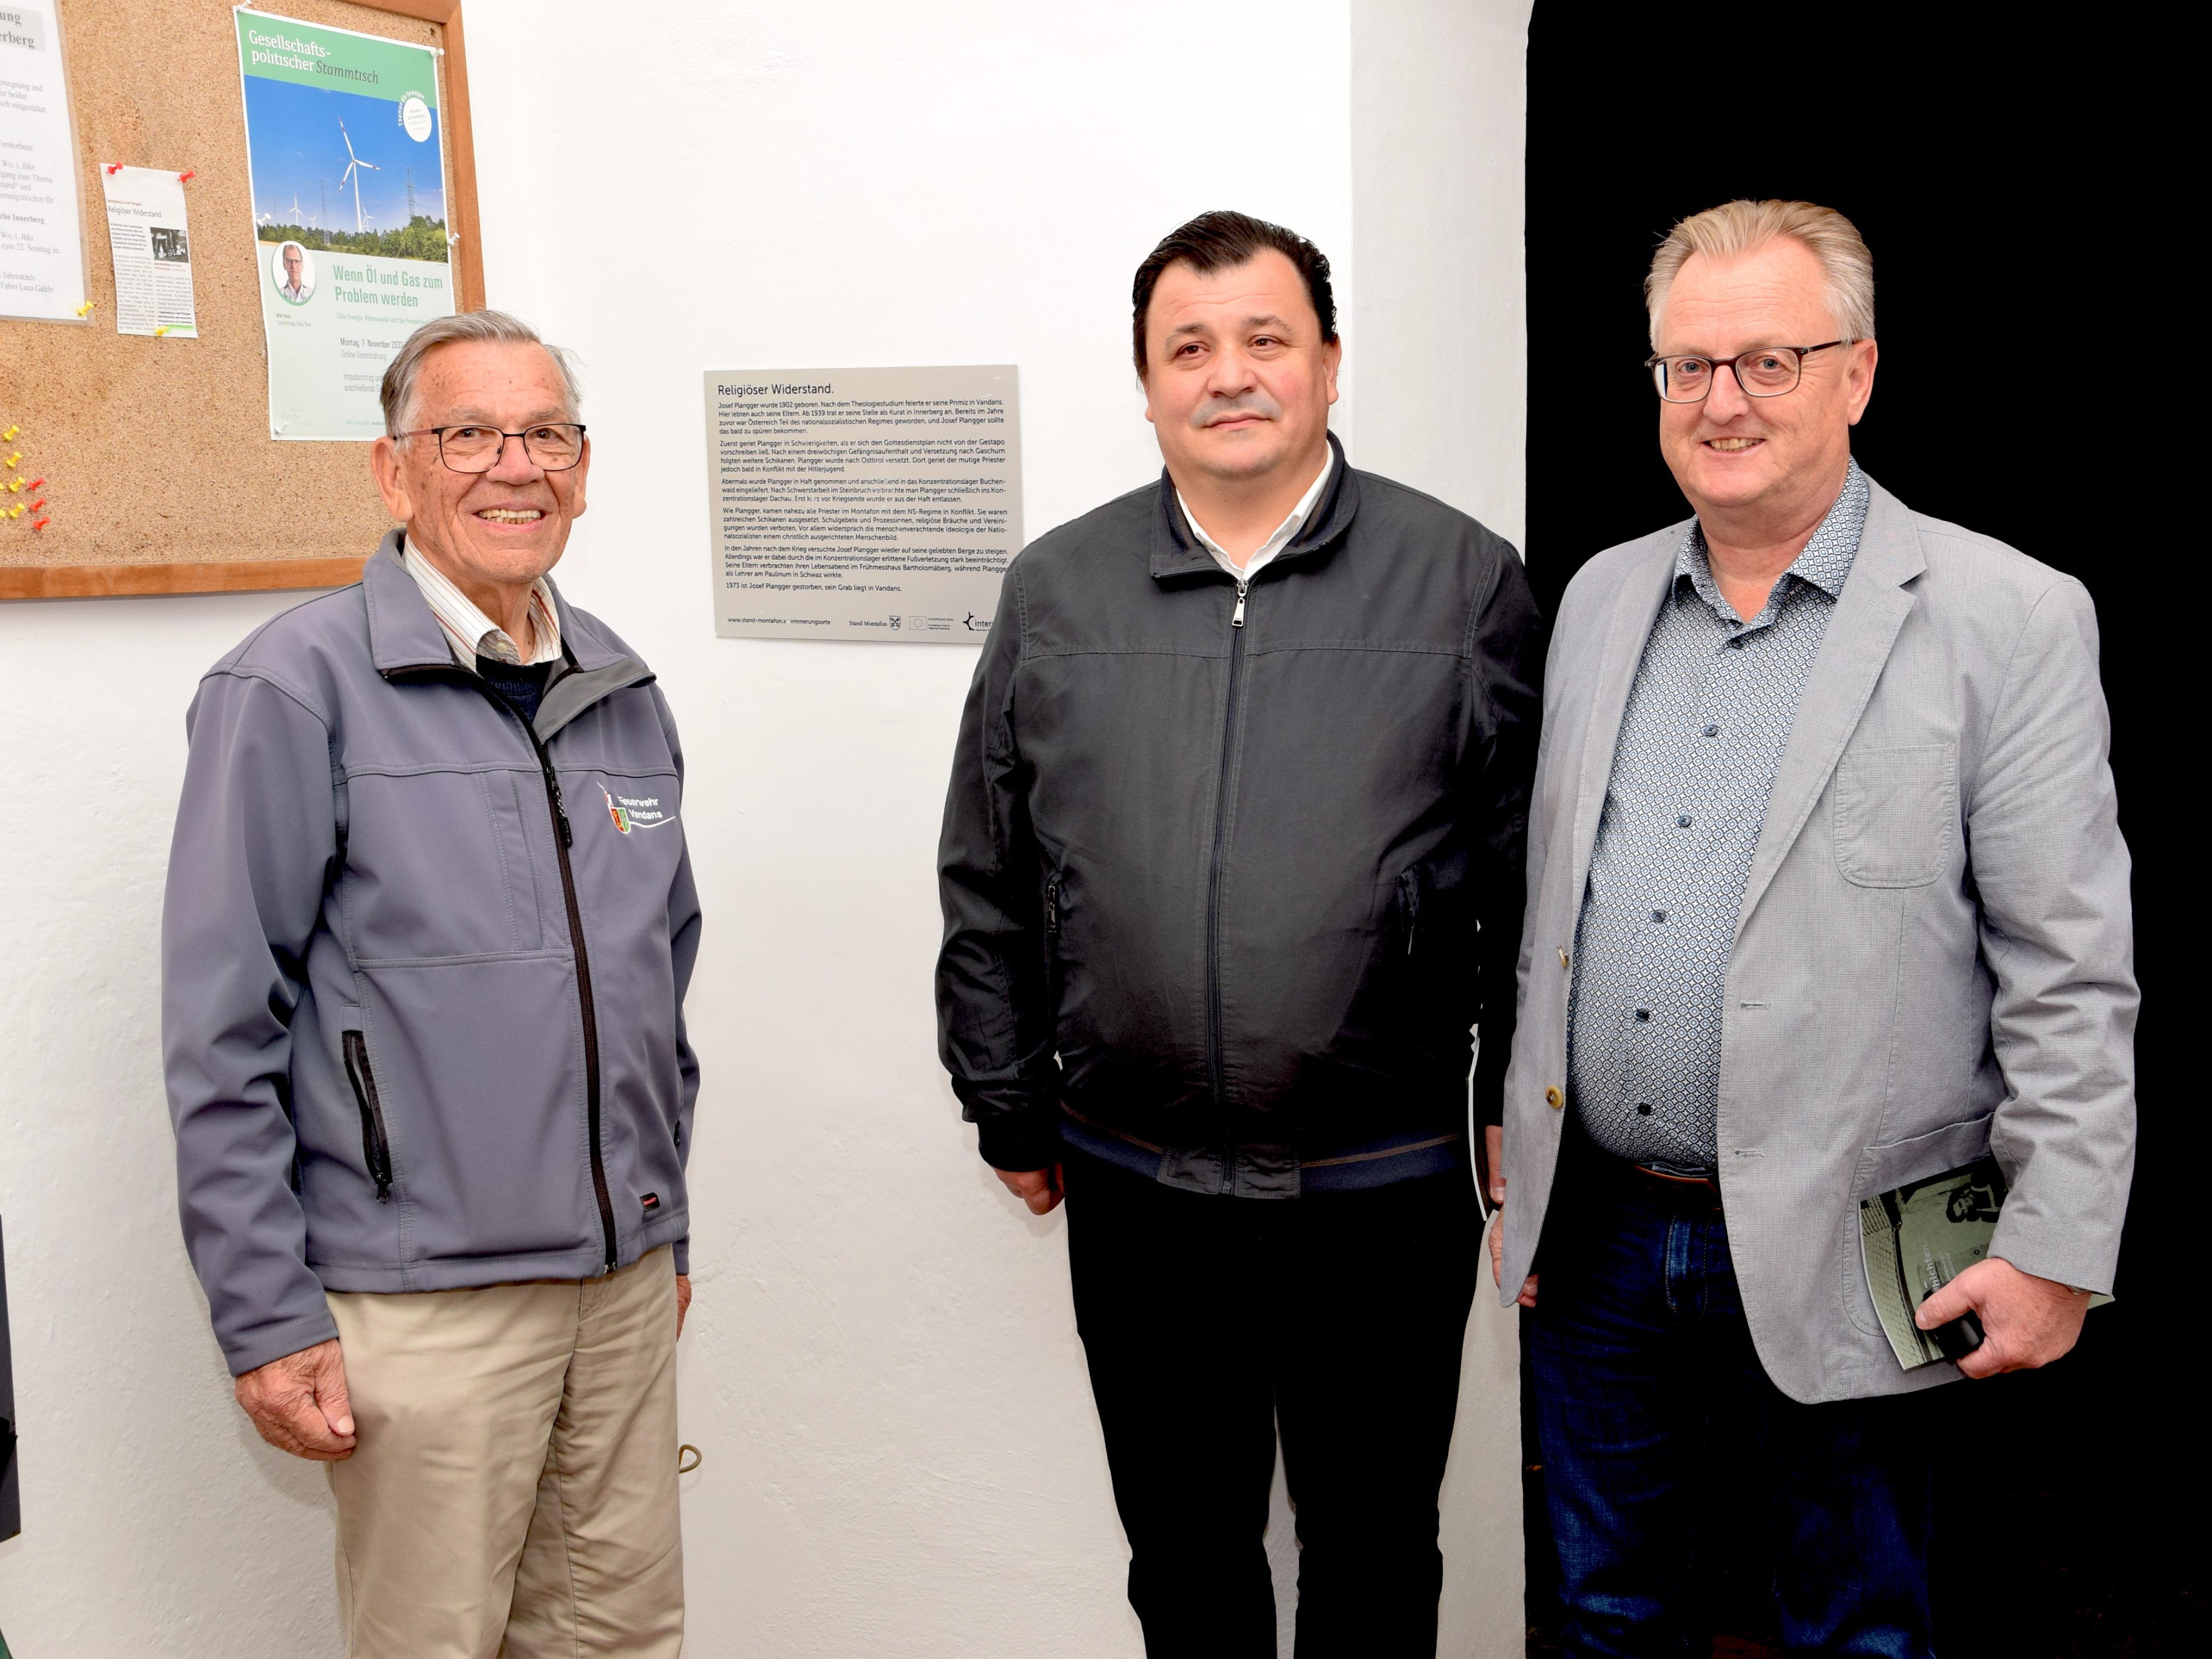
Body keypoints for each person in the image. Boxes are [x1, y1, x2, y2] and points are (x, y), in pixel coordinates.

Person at [1490, 200, 2136, 1656]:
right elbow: (1552, 911)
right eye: (1687, 366)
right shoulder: (1598, 598)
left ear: (1856, 373)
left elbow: (2070, 970)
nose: (1721, 401)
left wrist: (2055, 1243)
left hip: (1852, 1239)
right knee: (1604, 1614)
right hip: (1596, 1236)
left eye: (1768, 361)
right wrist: (1513, 1149)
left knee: (1853, 1628)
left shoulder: (2002, 615)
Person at [936, 209, 1544, 1657]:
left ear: (1329, 366)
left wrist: (1517, 1102)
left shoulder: (1462, 582)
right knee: (1186, 1554)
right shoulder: (1056, 590)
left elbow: (1532, 887)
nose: (1229, 375)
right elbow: (987, 870)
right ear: (1144, 383)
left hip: (1383, 1187)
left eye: (1264, 340)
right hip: (1139, 1185)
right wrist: (1006, 1102)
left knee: (1375, 1550)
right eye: (1187, 347)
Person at [162, 310, 703, 1657]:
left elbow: (657, 983)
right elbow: (221, 1031)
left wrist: (663, 1222)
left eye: (547, 434)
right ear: (395, 470)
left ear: (584, 466)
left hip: (622, 1288)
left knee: (621, 1641)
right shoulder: (294, 687)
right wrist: (266, 1313)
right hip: (423, 1307)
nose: (514, 466)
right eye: (468, 433)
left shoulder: (620, 687)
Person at [278, 240, 311, 304]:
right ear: (284, 265)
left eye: (297, 261)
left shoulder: (311, 293)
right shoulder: (278, 295)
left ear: (302, 265)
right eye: (289, 261)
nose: (294, 266)